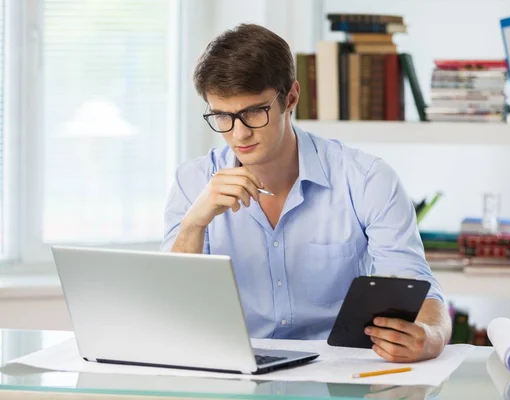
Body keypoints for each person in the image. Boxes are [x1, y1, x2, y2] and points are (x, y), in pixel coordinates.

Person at [160, 23, 451, 362]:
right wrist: (194, 224)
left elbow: (416, 284)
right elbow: (170, 310)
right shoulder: (192, 181)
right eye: (223, 116)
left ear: (291, 98)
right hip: (233, 367)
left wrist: (432, 336)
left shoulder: (367, 179)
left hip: (338, 370)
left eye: (254, 112)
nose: (238, 133)